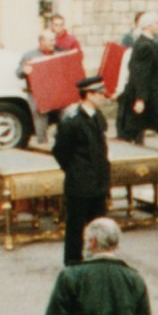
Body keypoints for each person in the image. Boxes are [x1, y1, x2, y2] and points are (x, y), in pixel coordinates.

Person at [49, 89, 112, 269]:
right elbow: (60, 151)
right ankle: (73, 262)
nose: (103, 97)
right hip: (80, 181)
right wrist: (74, 169)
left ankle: (99, 259)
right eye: (100, 94)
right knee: (76, 226)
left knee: (99, 223)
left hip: (99, 179)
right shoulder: (72, 120)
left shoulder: (98, 117)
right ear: (89, 95)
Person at [117, 10, 158, 147]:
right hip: (148, 96)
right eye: (155, 23)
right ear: (149, 26)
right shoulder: (145, 46)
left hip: (148, 94)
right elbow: (140, 73)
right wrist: (140, 99)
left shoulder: (147, 43)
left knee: (140, 127)